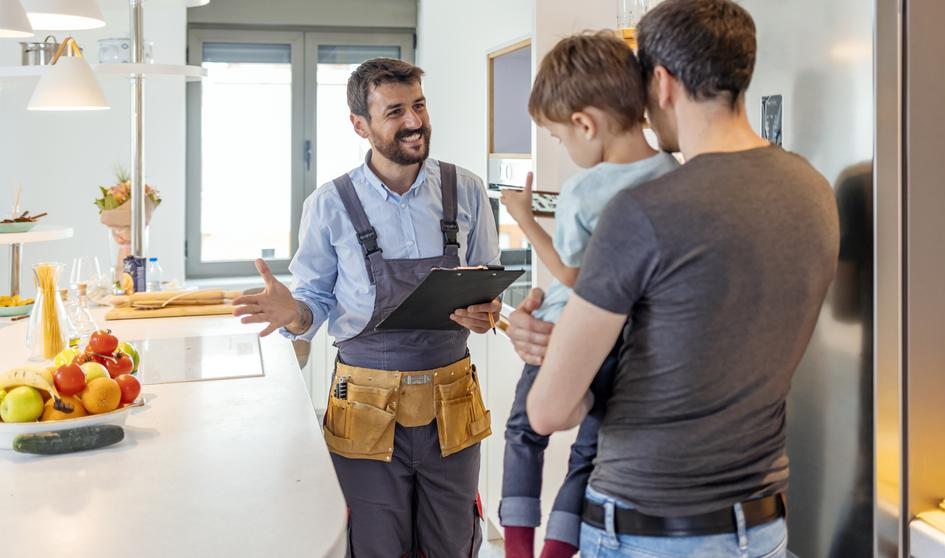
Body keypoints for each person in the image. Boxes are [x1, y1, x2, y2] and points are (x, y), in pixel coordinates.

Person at [508, 1, 840, 556]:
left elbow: (548, 411)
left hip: (648, 529)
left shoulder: (642, 213)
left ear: (661, 82)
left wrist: (561, 357)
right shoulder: (813, 191)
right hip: (762, 527)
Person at [232, 58, 501, 557]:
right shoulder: (329, 204)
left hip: (452, 403)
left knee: (453, 543)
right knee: (375, 545)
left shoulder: (465, 189)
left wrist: (485, 310)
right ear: (360, 124)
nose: (414, 121)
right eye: (395, 111)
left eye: (418, 105)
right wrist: (292, 311)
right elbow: (313, 302)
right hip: (364, 408)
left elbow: (486, 279)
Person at [497, 32, 678, 558]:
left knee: (524, 431)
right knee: (589, 451)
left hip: (565, 333)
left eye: (558, 137)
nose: (564, 148)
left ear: (584, 124)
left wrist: (527, 222)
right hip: (630, 345)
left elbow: (575, 277)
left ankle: (517, 551)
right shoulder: (673, 173)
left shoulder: (584, 187)